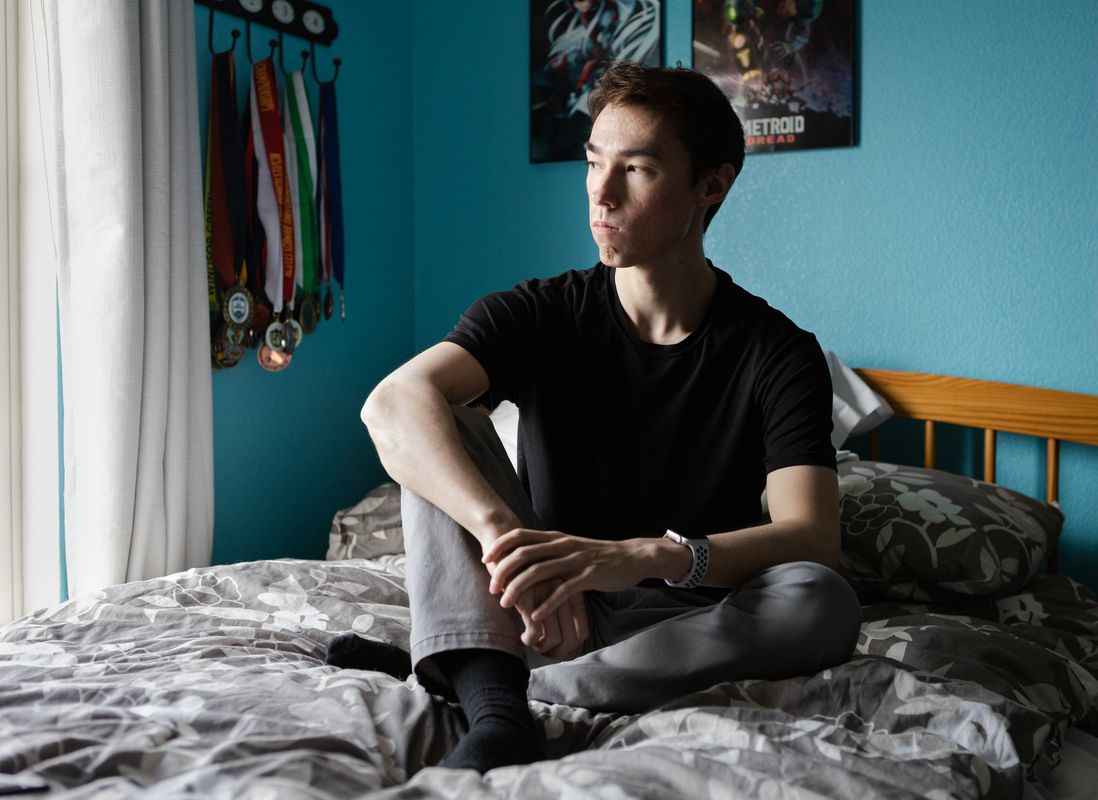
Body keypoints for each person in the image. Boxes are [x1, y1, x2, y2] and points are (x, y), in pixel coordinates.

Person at [329, 60, 862, 774]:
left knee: (820, 599)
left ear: (712, 185)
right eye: (593, 163)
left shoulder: (777, 352)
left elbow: (812, 536)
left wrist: (645, 555)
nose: (600, 194)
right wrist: (510, 539)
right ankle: (495, 700)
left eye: (636, 169)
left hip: (683, 620)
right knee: (439, 419)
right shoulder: (538, 311)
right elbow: (390, 403)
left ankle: (487, 684)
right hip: (540, 604)